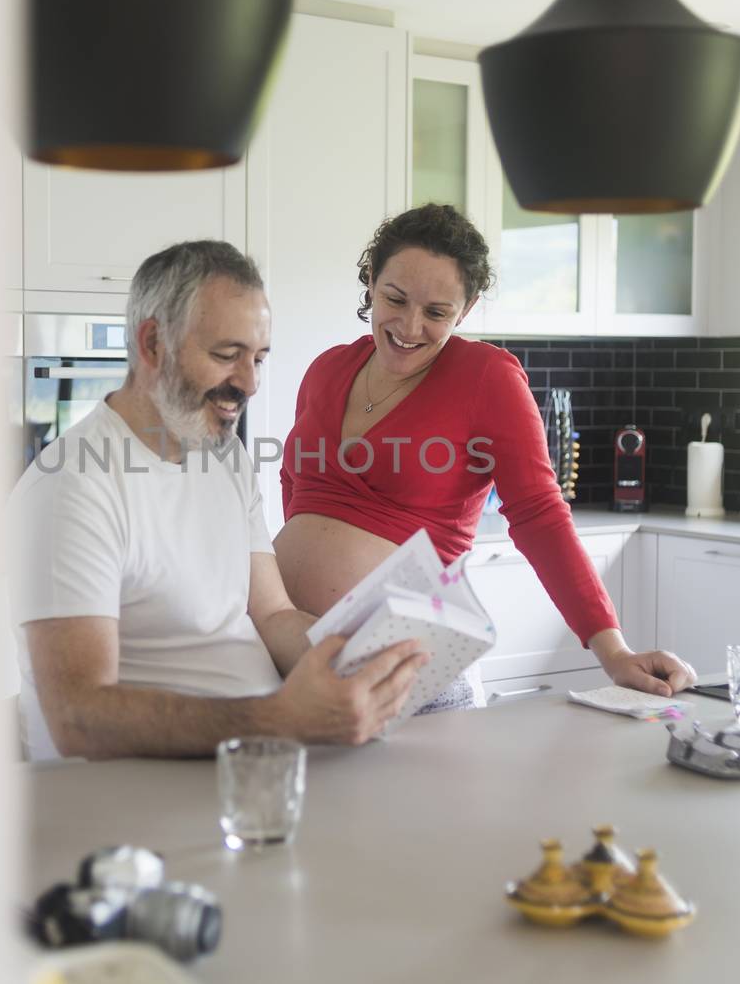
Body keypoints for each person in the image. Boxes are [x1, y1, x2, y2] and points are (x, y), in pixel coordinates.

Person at [9, 240, 429, 761]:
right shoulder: (73, 486)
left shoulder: (224, 456)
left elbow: (273, 614)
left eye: (258, 358)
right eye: (227, 355)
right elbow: (79, 717)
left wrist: (357, 656)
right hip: (148, 788)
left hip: (260, 757)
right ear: (153, 344)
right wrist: (279, 720)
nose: (249, 383)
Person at [276, 204, 696, 708]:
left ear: (467, 309)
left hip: (403, 666)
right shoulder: (327, 368)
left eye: (436, 313)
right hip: (291, 654)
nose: (410, 326)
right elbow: (295, 490)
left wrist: (612, 650)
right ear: (370, 280)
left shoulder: (487, 378)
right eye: (395, 298)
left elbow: (542, 517)